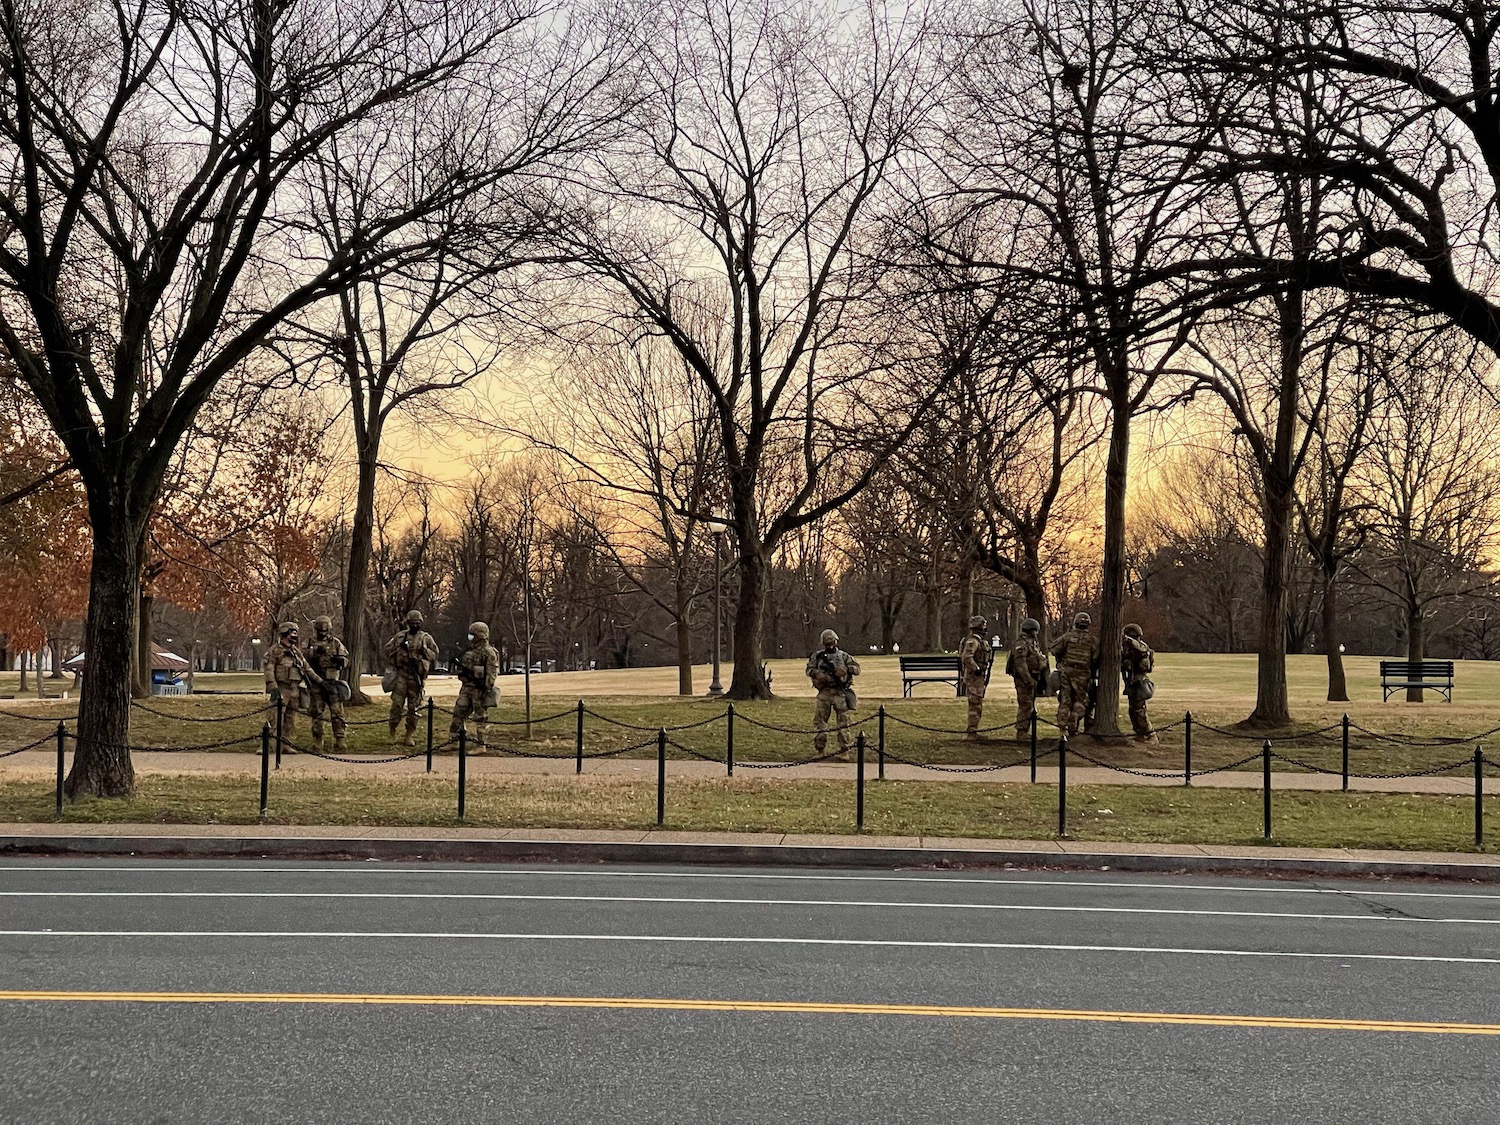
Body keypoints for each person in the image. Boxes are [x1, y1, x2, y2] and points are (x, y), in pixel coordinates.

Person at [384, 609, 438, 746]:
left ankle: (409, 735)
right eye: (412, 623)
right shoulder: (400, 636)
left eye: (417, 623)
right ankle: (392, 733)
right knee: (396, 705)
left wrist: (423, 653)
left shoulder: (426, 638)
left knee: (414, 708)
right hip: (401, 675)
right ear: (408, 623)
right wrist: (399, 649)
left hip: (416, 677)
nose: (414, 626)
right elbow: (386, 650)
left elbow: (435, 655)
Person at [805, 628, 860, 758]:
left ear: (836, 641)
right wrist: (817, 673)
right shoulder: (817, 656)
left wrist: (846, 669)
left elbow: (857, 669)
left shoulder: (844, 656)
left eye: (832, 642)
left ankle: (844, 750)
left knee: (843, 723)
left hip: (840, 693)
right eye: (827, 643)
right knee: (820, 723)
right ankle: (820, 750)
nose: (830, 645)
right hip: (824, 693)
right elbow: (808, 670)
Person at [451, 621, 500, 750]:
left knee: (480, 717)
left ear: (481, 636)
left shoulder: (488, 652)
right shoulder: (469, 650)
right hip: (467, 687)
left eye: (473, 635)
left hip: (479, 690)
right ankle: (455, 740)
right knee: (458, 712)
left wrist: (487, 687)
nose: (471, 638)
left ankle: (481, 744)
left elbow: (492, 672)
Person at [1050, 611, 1098, 739]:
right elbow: (1095, 659)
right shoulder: (1093, 640)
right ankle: (1075, 718)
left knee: (1065, 699)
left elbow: (1054, 650)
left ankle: (1062, 728)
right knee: (1080, 699)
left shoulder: (1067, 637)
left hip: (1066, 672)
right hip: (1083, 674)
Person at [305, 615, 350, 753]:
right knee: (317, 713)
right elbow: (301, 657)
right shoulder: (309, 642)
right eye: (320, 630)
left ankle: (340, 740)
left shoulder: (335, 643)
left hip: (332, 684)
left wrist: (340, 661)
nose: (322, 633)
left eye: (325, 630)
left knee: (337, 713)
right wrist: (313, 652)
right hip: (316, 683)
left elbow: (345, 658)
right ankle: (318, 741)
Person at [1004, 617, 1049, 741]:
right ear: (1031, 630)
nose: (1036, 633)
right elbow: (1020, 664)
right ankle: (1021, 731)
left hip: (1032, 678)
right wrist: (1028, 679)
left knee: (1029, 704)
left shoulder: (1031, 643)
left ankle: (1025, 730)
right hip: (1023, 680)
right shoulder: (1021, 644)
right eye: (1035, 631)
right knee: (1025, 704)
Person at [263, 621, 308, 737]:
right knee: (275, 718)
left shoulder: (296, 652)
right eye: (292, 633)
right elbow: (269, 670)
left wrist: (320, 682)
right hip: (281, 689)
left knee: (290, 719)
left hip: (295, 690)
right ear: (284, 633)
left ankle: (286, 743)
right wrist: (273, 687)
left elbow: (307, 668)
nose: (295, 636)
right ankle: (270, 745)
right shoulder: (275, 651)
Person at [957, 615, 992, 739]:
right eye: (983, 624)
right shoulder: (973, 641)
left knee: (977, 703)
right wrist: (976, 668)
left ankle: (973, 730)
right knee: (975, 703)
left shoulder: (979, 640)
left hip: (979, 676)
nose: (985, 627)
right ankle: (972, 732)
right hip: (974, 677)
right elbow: (967, 657)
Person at [1121, 622, 1157, 744]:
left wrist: (1127, 640)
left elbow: (1141, 648)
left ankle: (1150, 734)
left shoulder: (1141, 647)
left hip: (1139, 682)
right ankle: (1140, 734)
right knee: (1133, 711)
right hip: (1132, 683)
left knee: (1139, 711)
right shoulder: (1129, 650)